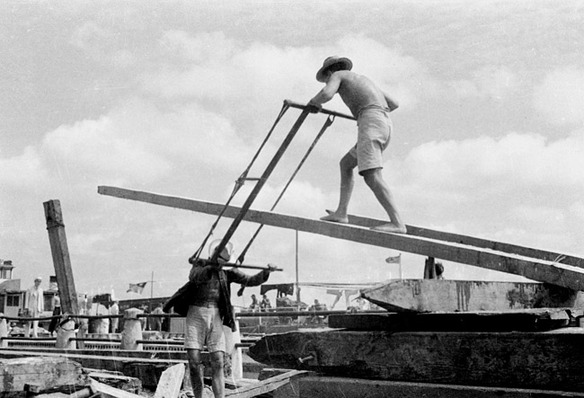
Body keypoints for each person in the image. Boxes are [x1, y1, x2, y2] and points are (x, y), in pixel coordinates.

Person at [308, 56, 407, 234]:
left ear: (329, 71)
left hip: (370, 123)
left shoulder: (337, 75)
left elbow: (326, 94)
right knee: (346, 164)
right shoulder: (363, 79)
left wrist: (314, 103)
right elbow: (394, 104)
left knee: (371, 175)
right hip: (383, 122)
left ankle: (397, 223)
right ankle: (341, 213)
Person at [183, 243, 276, 398]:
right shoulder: (200, 264)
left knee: (218, 360)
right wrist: (211, 267)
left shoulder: (228, 271)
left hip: (216, 314)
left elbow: (250, 280)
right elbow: (195, 277)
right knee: (193, 361)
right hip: (196, 313)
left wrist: (266, 272)